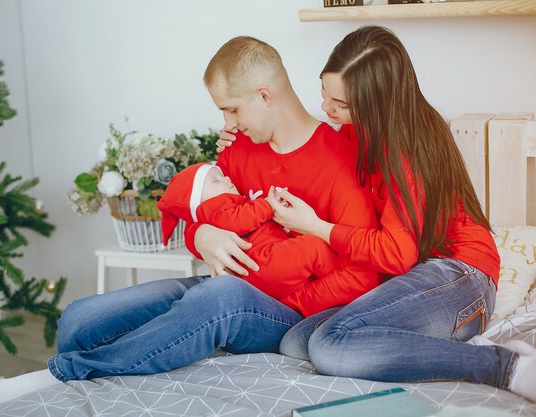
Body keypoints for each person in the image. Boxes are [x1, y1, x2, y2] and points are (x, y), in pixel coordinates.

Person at [0, 35, 381, 413]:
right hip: (225, 285)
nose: (229, 123)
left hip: (284, 307)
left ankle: (57, 376)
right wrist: (202, 236)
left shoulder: (341, 160)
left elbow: (362, 277)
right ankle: (160, 342)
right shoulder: (239, 149)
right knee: (78, 320)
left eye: (232, 109)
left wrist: (283, 293)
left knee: (217, 299)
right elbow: (202, 214)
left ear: (264, 94)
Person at [216, 26, 536, 402]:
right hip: (411, 280)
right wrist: (237, 145)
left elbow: (398, 253)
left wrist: (317, 228)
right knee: (297, 343)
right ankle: (429, 344)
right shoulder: (357, 132)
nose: (327, 110)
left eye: (342, 104)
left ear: (376, 102)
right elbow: (302, 165)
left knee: (328, 346)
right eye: (324, 91)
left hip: (460, 277)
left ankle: (502, 365)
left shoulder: (405, 149)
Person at [157, 162, 339, 301]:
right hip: (263, 263)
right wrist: (268, 204)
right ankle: (337, 277)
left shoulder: (222, 206)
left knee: (307, 252)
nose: (226, 179)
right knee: (314, 248)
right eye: (216, 180)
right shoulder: (214, 208)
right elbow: (238, 220)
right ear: (200, 200)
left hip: (262, 267)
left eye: (222, 176)